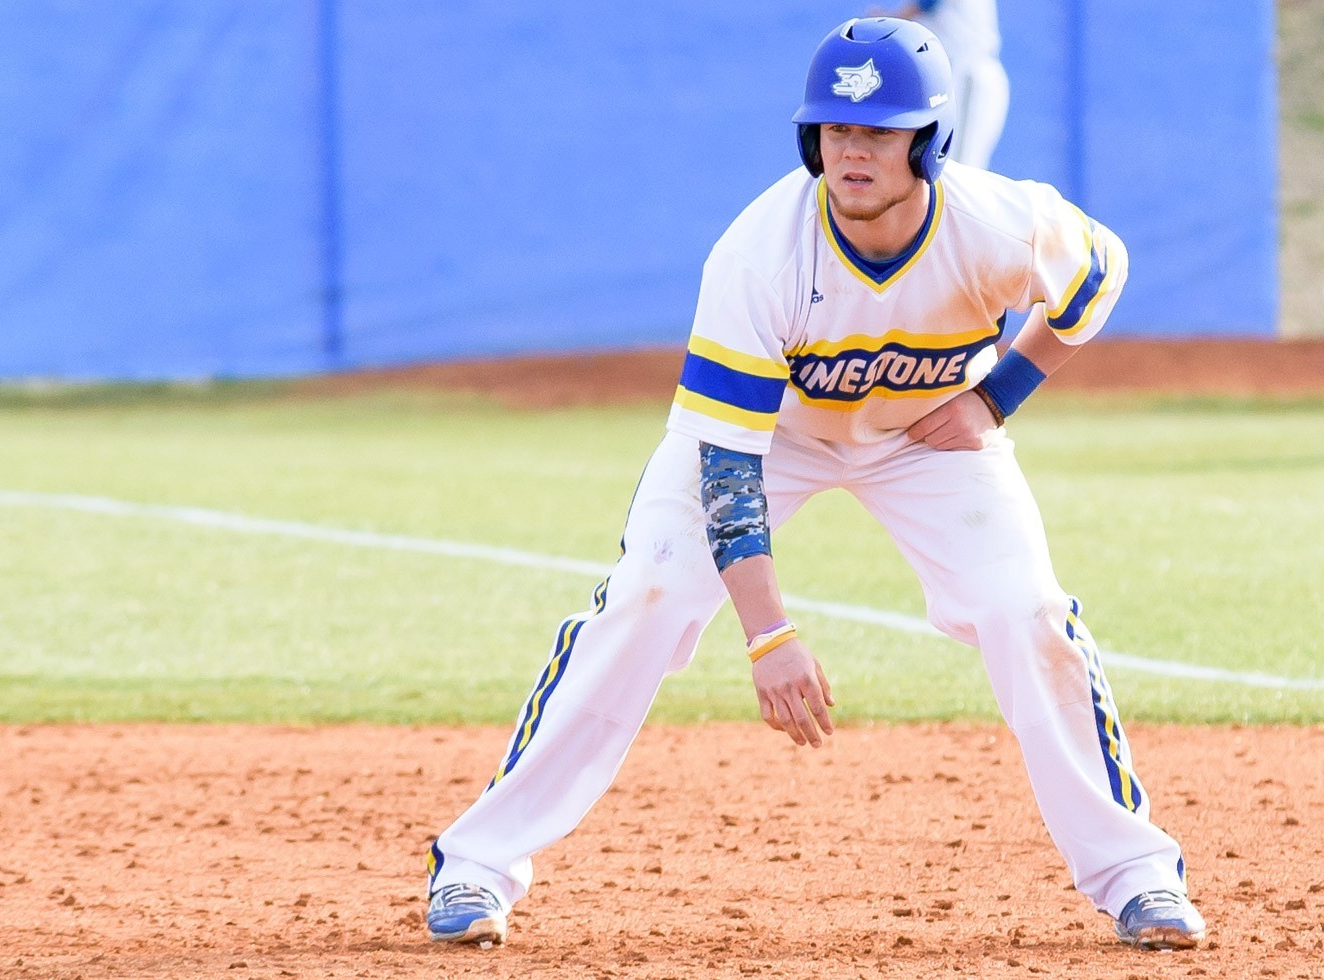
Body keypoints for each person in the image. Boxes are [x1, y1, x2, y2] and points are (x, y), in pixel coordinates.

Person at [419, 17, 1204, 953]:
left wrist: (998, 397)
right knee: (650, 595)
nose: (852, 151)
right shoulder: (761, 253)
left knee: (1026, 612)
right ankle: (475, 866)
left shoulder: (999, 224)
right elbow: (726, 464)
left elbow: (1098, 277)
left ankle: (1138, 877)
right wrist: (769, 634)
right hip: (768, 441)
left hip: (924, 436)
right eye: (835, 130)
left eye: (877, 131)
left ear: (929, 141)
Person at [873, 0, 1008, 168]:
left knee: (958, 166)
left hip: (968, 72)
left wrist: (887, 21)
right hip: (960, 72)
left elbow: (925, 4)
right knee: (950, 163)